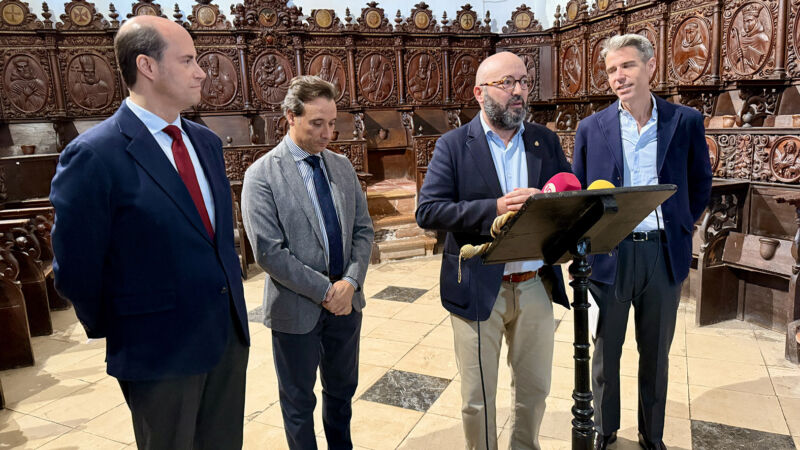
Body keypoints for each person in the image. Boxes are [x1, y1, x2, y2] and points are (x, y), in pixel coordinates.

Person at [49, 16, 250, 450]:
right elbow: (76, 268)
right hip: (158, 350)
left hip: (225, 338)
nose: (201, 72)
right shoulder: (94, 154)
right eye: (188, 60)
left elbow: (212, 239)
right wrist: (129, 329)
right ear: (148, 66)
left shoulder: (206, 143)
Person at [416, 51, 570, 450]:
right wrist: (496, 208)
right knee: (478, 399)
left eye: (523, 82)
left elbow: (570, 195)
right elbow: (428, 211)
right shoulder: (453, 145)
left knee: (535, 389)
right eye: (507, 83)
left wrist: (548, 202)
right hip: (479, 284)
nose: (518, 91)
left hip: (534, 284)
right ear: (479, 93)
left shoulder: (544, 141)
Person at [571, 34, 711, 450]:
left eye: (627, 65)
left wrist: (681, 225)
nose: (619, 76)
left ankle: (652, 435)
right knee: (605, 350)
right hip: (610, 253)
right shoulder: (591, 128)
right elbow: (579, 191)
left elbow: (700, 182)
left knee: (655, 353)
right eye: (611, 70)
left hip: (662, 253)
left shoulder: (684, 121)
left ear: (650, 66)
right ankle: (604, 429)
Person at [241, 75, 373, 450]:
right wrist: (326, 291)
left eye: (332, 123)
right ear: (291, 116)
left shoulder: (342, 167)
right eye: (317, 123)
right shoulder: (262, 175)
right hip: (296, 307)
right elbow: (269, 252)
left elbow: (363, 231)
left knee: (342, 392)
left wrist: (350, 283)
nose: (327, 133)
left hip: (346, 304)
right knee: (299, 402)